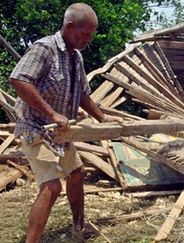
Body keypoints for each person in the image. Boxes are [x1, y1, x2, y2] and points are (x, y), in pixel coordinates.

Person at [9, 3, 120, 242]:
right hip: (35, 128)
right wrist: (52, 114)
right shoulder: (45, 49)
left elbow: (82, 95)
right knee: (52, 187)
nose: (88, 39)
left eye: (91, 34)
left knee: (77, 173)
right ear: (69, 27)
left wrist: (103, 118)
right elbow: (19, 80)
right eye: (85, 34)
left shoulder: (75, 57)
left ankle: (79, 228)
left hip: (60, 133)